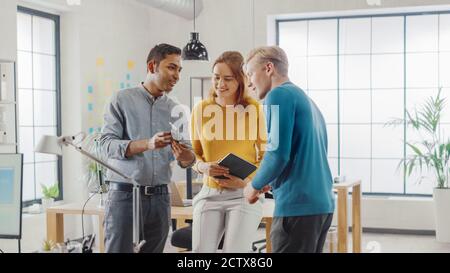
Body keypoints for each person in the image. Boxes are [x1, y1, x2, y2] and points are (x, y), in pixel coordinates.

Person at [99, 44, 196, 253]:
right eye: (171, 67)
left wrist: (186, 156)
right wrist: (148, 144)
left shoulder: (176, 109)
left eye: (179, 70)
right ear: (152, 66)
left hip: (161, 198)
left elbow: (188, 159)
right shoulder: (121, 99)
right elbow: (106, 145)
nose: (177, 76)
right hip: (125, 197)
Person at [243, 46, 335, 253]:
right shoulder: (308, 101)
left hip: (297, 207)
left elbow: (277, 154)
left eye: (250, 74)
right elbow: (300, 156)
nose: (249, 82)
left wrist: (254, 185)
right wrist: (271, 180)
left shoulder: (278, 95)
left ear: (268, 68)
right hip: (322, 205)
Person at [191, 51, 267, 253]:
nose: (220, 84)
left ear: (240, 80)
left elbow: (267, 155)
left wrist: (247, 181)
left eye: (227, 78)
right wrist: (203, 166)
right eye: (216, 77)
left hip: (244, 193)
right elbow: (194, 153)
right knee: (200, 253)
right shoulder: (201, 109)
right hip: (209, 193)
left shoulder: (255, 109)